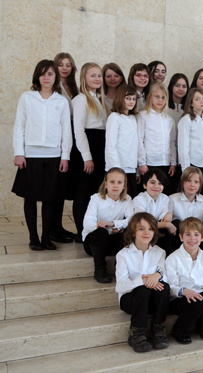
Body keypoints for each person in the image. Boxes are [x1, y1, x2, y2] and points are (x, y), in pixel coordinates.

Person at [13, 60, 72, 251]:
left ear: (56, 77)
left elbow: (66, 131)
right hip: (30, 156)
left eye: (50, 74)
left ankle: (46, 238)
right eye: (43, 73)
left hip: (54, 157)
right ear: (37, 76)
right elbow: (19, 126)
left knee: (50, 199)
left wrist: (65, 157)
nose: (46, 77)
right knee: (30, 199)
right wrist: (19, 153)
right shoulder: (27, 98)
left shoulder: (61, 101)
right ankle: (33, 238)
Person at [115, 212, 170, 353]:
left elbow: (164, 274)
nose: (147, 232)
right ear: (133, 231)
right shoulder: (123, 254)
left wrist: (157, 275)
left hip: (152, 302)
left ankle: (158, 328)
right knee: (142, 289)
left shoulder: (160, 252)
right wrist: (143, 280)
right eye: (141, 228)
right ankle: (136, 332)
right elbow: (120, 287)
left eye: (151, 229)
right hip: (131, 301)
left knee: (164, 287)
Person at [165, 217, 203, 344]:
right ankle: (179, 329)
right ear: (181, 237)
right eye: (188, 234)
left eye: (196, 235)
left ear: (202, 238)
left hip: (199, 293)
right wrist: (184, 291)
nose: (192, 238)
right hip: (178, 298)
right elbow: (170, 286)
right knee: (197, 304)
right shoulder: (172, 258)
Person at [70, 62, 109, 240]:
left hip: (99, 147)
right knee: (83, 192)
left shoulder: (100, 99)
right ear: (84, 78)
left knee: (94, 192)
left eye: (99, 75)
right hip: (86, 149)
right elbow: (78, 129)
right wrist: (87, 157)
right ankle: (80, 231)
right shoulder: (80, 99)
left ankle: (91, 228)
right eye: (92, 75)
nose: (97, 79)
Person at [82, 167, 133, 283]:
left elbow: (132, 221)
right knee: (101, 232)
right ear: (105, 184)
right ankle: (99, 270)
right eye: (112, 182)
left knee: (129, 232)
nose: (115, 186)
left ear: (124, 186)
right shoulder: (95, 199)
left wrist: (112, 223)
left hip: (113, 244)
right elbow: (87, 225)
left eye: (119, 182)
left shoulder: (127, 199)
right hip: (93, 244)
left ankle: (119, 268)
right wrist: (110, 230)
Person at [137, 82, 177, 193]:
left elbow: (172, 143)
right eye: (157, 96)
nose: (160, 100)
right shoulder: (143, 116)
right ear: (150, 97)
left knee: (164, 193)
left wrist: (173, 163)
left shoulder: (169, 120)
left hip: (165, 164)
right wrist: (142, 162)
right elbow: (139, 140)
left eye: (163, 97)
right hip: (149, 164)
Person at [168, 166, 203, 254]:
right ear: (182, 182)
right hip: (181, 236)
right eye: (188, 181)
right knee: (176, 223)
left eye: (196, 182)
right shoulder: (172, 199)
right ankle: (177, 250)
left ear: (200, 184)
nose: (192, 185)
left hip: (198, 236)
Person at [105, 84, 138, 196]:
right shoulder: (114, 117)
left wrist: (136, 169)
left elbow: (134, 145)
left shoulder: (133, 119)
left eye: (134, 99)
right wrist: (117, 170)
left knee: (130, 200)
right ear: (120, 98)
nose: (131, 101)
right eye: (128, 98)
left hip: (131, 168)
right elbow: (110, 145)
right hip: (118, 168)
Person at [132, 168, 176, 254]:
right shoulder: (139, 199)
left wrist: (168, 215)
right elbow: (142, 222)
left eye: (160, 183)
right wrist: (167, 224)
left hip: (156, 230)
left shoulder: (164, 198)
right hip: (142, 230)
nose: (156, 186)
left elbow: (163, 219)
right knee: (164, 226)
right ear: (145, 185)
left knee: (165, 229)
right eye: (152, 182)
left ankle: (164, 256)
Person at [177, 88, 203, 196]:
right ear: (191, 103)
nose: (202, 101)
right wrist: (186, 169)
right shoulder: (186, 119)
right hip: (192, 164)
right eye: (197, 99)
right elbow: (183, 146)